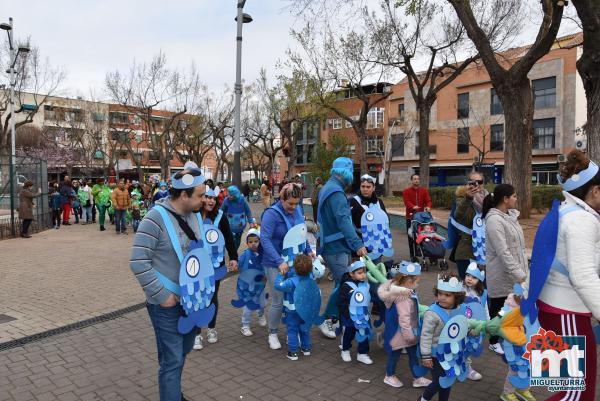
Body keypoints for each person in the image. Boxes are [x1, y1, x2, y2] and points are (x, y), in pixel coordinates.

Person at [522, 150, 600, 401]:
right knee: (578, 395)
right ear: (596, 191)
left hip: (554, 309)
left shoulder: (567, 210)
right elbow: (584, 275)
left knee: (569, 391)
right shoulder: (582, 221)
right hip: (566, 314)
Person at [129, 164, 207, 401]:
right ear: (184, 194)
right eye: (200, 195)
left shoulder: (194, 216)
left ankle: (173, 392)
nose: (204, 200)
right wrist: (162, 295)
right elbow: (138, 261)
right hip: (166, 305)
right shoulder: (155, 218)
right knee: (172, 360)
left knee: (180, 354)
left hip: (191, 302)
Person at [317, 157, 367, 338]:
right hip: (336, 246)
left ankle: (335, 318)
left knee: (342, 283)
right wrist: (358, 244)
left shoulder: (327, 188)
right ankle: (329, 320)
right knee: (343, 284)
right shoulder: (336, 192)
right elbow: (344, 221)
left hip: (331, 244)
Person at [260, 183, 314, 350]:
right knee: (278, 300)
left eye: (296, 203)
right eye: (290, 203)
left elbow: (300, 232)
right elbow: (265, 239)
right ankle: (273, 332)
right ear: (281, 199)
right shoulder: (271, 214)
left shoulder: (297, 210)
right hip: (275, 263)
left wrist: (308, 250)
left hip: (294, 263)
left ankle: (294, 328)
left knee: (296, 298)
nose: (293, 207)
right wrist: (278, 261)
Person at [482, 183, 527, 356]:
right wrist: (520, 275)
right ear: (505, 199)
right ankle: (494, 341)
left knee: (513, 308)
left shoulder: (510, 217)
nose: (516, 199)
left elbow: (518, 248)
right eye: (514, 196)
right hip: (502, 275)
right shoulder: (494, 220)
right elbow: (503, 252)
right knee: (500, 310)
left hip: (515, 274)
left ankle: (510, 336)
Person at [192, 187, 239, 350]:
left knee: (211, 297)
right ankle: (197, 333)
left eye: (214, 198)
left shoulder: (221, 217)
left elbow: (229, 239)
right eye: (207, 197)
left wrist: (233, 257)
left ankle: (211, 329)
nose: (211, 201)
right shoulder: (192, 215)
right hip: (197, 265)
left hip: (215, 265)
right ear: (201, 198)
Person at [378, 261, 432, 389]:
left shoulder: (402, 291)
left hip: (404, 331)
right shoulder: (403, 298)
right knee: (395, 354)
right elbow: (404, 319)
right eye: (416, 282)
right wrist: (410, 336)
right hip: (402, 333)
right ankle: (389, 376)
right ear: (408, 281)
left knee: (412, 354)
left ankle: (417, 378)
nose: (417, 284)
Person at [419, 273, 466, 401]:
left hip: (452, 355)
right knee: (440, 380)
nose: (442, 297)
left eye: (447, 295)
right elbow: (426, 335)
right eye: (440, 293)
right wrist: (426, 356)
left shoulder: (458, 310)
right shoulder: (432, 313)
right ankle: (424, 398)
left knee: (449, 378)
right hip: (436, 355)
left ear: (456, 297)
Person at [274, 254, 318, 361]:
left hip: (293, 311)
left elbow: (278, 285)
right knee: (305, 330)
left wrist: (281, 274)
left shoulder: (291, 282)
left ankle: (293, 352)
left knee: (292, 330)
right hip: (306, 311)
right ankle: (306, 348)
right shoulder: (311, 278)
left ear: (294, 268)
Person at [498, 292, 536, 401]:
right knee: (515, 368)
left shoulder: (535, 302)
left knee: (530, 368)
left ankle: (523, 389)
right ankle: (507, 392)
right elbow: (499, 316)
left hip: (531, 342)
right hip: (514, 344)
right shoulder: (510, 302)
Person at [450, 171, 487, 279]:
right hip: (467, 251)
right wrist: (468, 199)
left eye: (479, 182)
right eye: (472, 182)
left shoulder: (489, 199)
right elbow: (459, 216)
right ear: (467, 183)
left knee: (483, 289)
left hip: (485, 251)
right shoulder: (462, 200)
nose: (476, 185)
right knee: (467, 290)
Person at [337, 260, 373, 365]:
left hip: (363, 316)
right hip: (349, 316)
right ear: (351, 274)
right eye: (360, 273)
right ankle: (345, 350)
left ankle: (362, 353)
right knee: (348, 333)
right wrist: (346, 315)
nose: (363, 275)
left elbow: (370, 298)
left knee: (363, 333)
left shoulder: (366, 285)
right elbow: (340, 302)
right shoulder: (346, 286)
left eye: (364, 273)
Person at [238, 229, 267, 337]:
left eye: (256, 241)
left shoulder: (263, 254)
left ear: (260, 242)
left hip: (260, 286)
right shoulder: (244, 255)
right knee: (248, 307)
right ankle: (245, 326)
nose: (253, 244)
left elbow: (265, 267)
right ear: (247, 243)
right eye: (250, 242)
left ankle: (261, 314)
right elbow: (238, 265)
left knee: (262, 303)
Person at [462, 262, 486, 381]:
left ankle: (467, 368)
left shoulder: (482, 294)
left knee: (468, 347)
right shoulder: (460, 290)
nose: (469, 279)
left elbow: (484, 311)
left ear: (480, 280)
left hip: (473, 327)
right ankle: (455, 367)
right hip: (459, 324)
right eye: (468, 275)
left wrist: (483, 326)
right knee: (456, 346)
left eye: (474, 277)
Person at [402, 174, 432, 262]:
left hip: (422, 218)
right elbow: (406, 202)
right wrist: (413, 207)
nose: (416, 180)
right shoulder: (406, 191)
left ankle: (425, 253)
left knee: (424, 236)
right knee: (411, 237)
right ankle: (413, 255)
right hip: (410, 218)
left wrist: (428, 206)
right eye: (414, 179)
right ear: (411, 181)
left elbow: (428, 201)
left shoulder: (423, 190)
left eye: (418, 179)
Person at [221, 185, 255, 250]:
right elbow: (221, 211)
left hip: (240, 226)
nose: (229, 197)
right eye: (228, 195)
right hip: (230, 226)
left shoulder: (242, 200)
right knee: (231, 240)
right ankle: (233, 252)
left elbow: (248, 211)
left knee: (238, 240)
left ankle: (235, 250)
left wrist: (251, 221)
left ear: (236, 195)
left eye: (231, 195)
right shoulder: (226, 200)